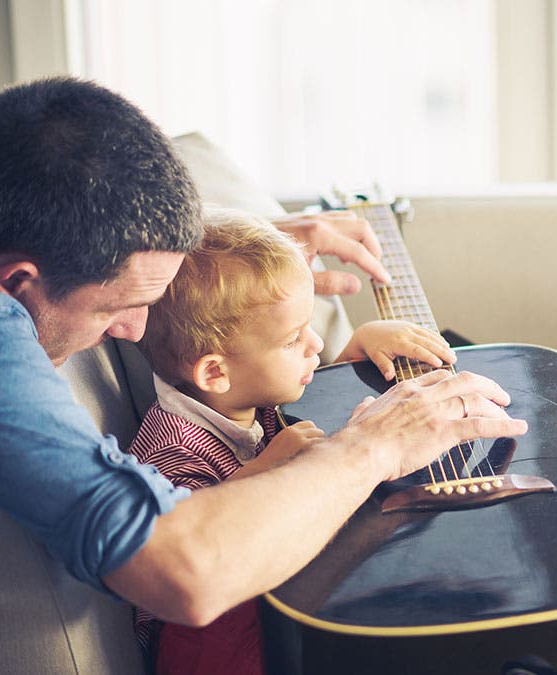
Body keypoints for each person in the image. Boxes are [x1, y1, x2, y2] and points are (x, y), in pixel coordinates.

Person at [0, 74, 526, 645]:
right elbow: (182, 572)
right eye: (125, 305)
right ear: (13, 282)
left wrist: (241, 265)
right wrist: (375, 444)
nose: (132, 331)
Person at [126, 208, 456, 673]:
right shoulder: (169, 451)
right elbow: (193, 558)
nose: (316, 345)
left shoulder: (247, 392)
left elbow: (308, 420)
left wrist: (355, 352)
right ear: (215, 372)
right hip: (218, 644)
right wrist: (266, 469)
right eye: (292, 340)